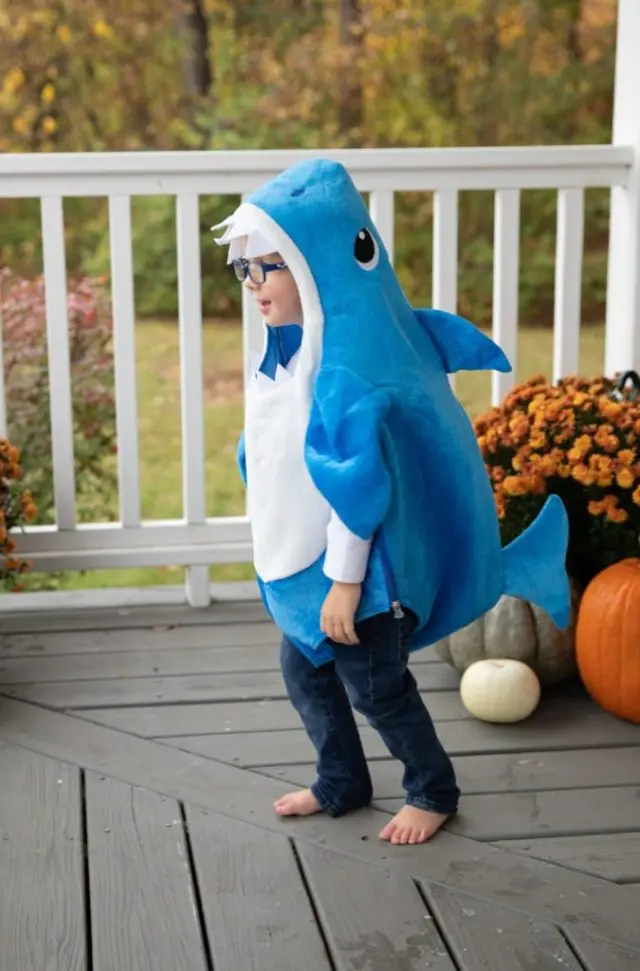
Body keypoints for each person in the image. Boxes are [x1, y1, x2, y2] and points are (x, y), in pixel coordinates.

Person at [213, 159, 570, 846]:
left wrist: (346, 584)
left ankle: (433, 789)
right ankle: (341, 780)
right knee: (303, 670)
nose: (253, 283)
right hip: (308, 576)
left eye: (268, 267)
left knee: (375, 685)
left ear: (313, 268)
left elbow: (359, 491)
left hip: (365, 581)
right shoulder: (288, 364)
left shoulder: (343, 377)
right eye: (244, 269)